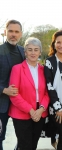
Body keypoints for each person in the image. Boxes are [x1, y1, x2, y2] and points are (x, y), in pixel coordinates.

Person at [8, 37, 50, 150]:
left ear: (40, 52)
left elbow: (47, 92)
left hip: (39, 113)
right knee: (25, 146)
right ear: (25, 52)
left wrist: (41, 109)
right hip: (21, 114)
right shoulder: (17, 69)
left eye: (36, 50)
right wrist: (31, 111)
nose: (33, 52)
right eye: (30, 49)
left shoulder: (43, 69)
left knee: (33, 145)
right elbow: (14, 94)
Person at [0, 19, 25, 150]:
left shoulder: (24, 51)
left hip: (19, 104)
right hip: (1, 104)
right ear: (5, 32)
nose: (13, 34)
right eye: (10, 31)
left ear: (21, 34)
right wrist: (4, 90)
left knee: (23, 138)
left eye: (16, 32)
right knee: (0, 137)